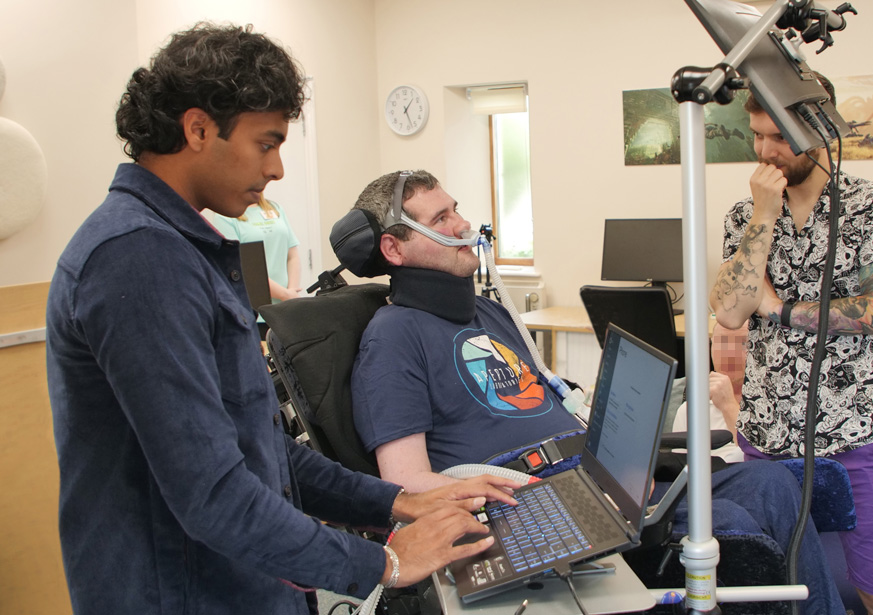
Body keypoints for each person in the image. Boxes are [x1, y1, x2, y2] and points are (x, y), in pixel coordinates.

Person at [44, 24, 519, 615]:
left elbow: (265, 453)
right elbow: (212, 494)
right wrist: (386, 562)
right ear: (197, 129)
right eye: (266, 144)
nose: (278, 169)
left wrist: (399, 503)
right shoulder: (138, 260)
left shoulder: (181, 248)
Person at [347, 169, 846, 615]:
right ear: (395, 249)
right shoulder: (393, 336)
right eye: (441, 216)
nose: (462, 223)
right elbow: (406, 483)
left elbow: (548, 395)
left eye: (456, 208)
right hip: (530, 500)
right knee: (731, 523)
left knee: (774, 485)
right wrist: (524, 493)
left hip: (593, 476)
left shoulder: (489, 312)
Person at [710, 74, 873, 615]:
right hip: (769, 434)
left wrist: (776, 308)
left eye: (778, 136)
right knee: (775, 586)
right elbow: (729, 311)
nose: (765, 151)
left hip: (854, 434)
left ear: (822, 126)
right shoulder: (746, 215)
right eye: (757, 135)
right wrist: (762, 218)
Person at [212, 193, 302, 339]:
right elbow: (242, 266)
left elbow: (292, 255)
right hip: (256, 313)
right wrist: (285, 295)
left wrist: (292, 292)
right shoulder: (225, 216)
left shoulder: (275, 208)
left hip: (286, 309)